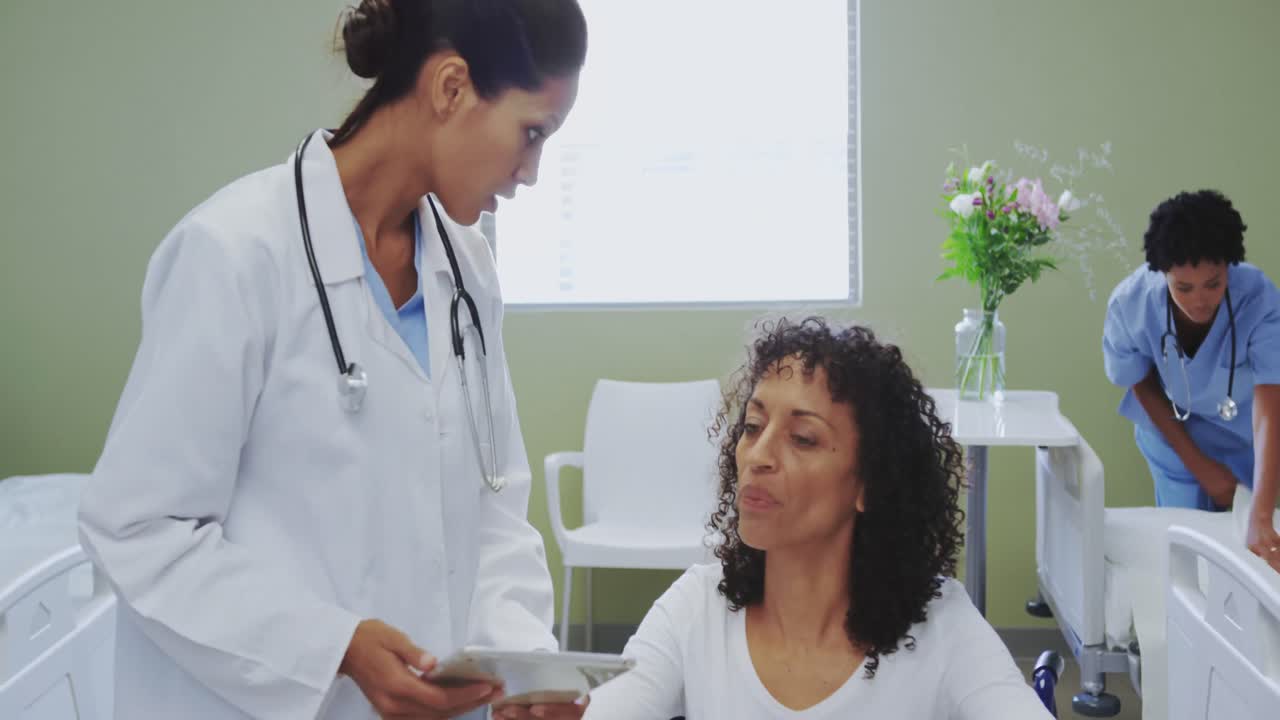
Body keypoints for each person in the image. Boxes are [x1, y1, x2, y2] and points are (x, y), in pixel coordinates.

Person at [76, 1, 591, 717]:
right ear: (450, 87)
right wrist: (332, 645)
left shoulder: (467, 271)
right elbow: (135, 530)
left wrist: (521, 668)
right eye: (531, 133)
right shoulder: (236, 253)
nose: (532, 172)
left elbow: (494, 510)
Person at [584, 318, 1052, 718]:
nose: (758, 456)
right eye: (752, 427)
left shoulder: (941, 624)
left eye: (803, 438)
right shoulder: (696, 610)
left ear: (869, 481)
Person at [1102, 189, 1280, 572]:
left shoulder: (1258, 297)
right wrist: (1199, 465)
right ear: (1162, 273)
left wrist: (1263, 512)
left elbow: (1269, 405)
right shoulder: (1132, 302)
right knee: (1186, 550)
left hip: (1244, 434)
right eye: (1183, 288)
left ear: (1229, 268)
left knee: (1248, 541)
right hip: (1172, 434)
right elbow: (1139, 381)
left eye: (1213, 284)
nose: (1199, 300)